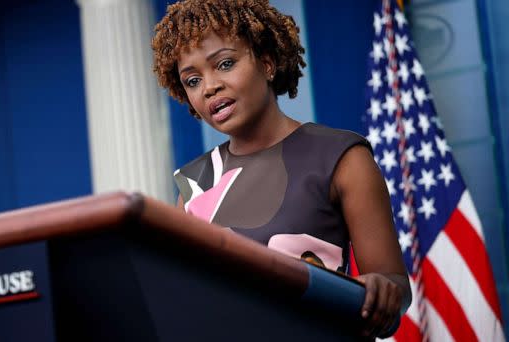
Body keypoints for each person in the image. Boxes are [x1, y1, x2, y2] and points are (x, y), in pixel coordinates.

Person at [151, 0, 411, 338]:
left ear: (268, 63)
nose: (209, 86)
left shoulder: (341, 157)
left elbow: (394, 291)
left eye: (225, 64)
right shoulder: (194, 186)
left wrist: (380, 293)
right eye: (192, 80)